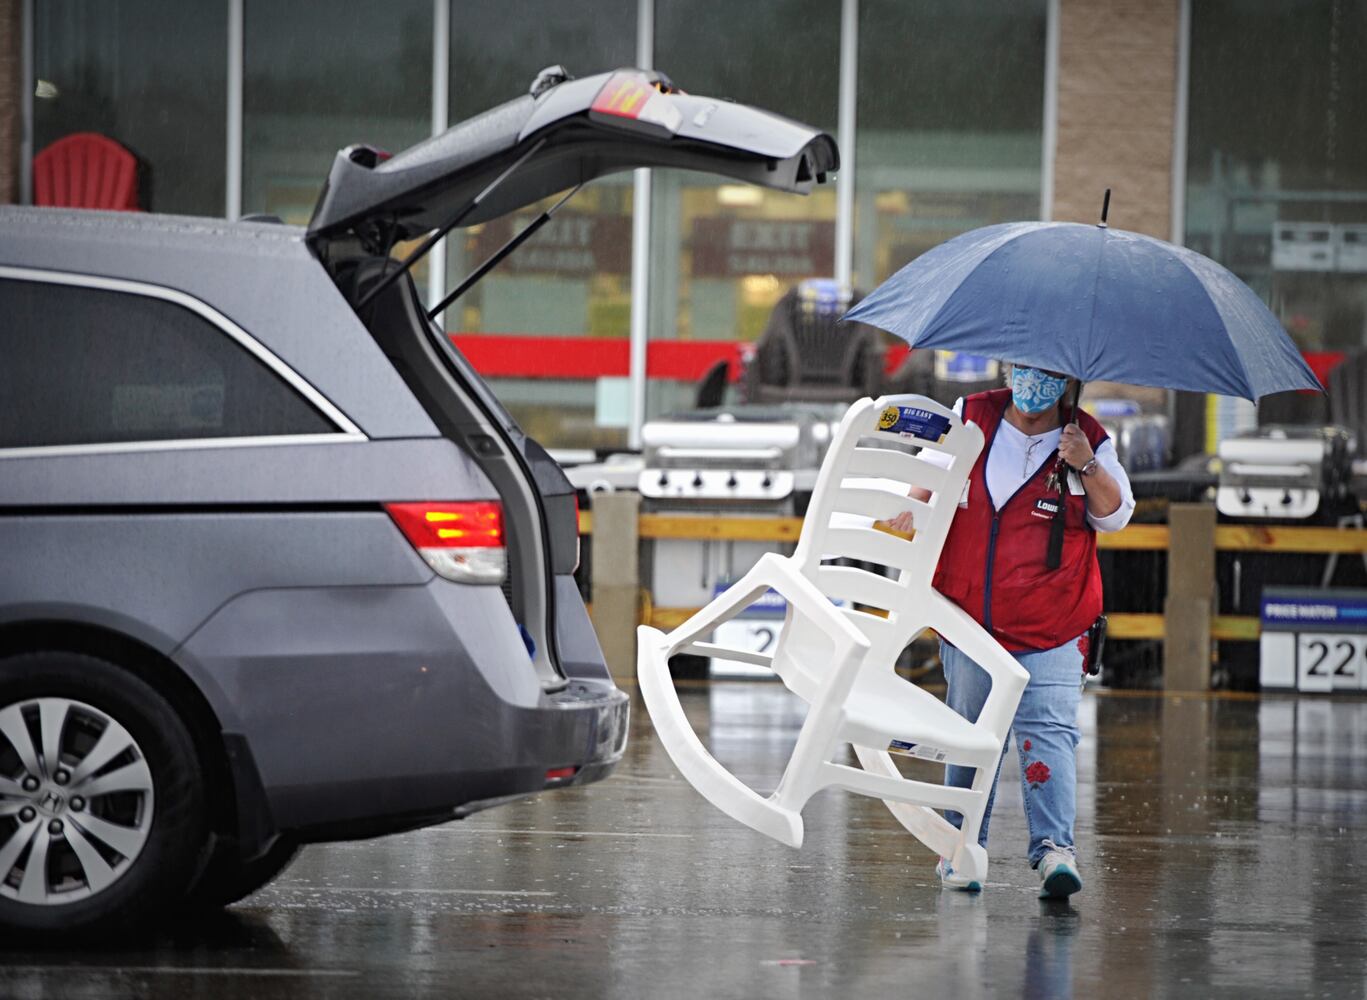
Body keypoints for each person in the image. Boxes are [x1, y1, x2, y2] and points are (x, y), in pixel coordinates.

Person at [884, 363, 1134, 899]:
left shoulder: (1087, 437)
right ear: (1009, 367)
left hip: (1055, 623)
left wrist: (1086, 465)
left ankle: (1054, 852)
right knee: (971, 735)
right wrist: (907, 514)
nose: (1032, 381)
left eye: (1046, 372)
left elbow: (1115, 515)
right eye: (1024, 367)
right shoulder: (971, 415)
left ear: (1067, 379)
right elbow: (930, 473)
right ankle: (960, 848)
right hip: (971, 619)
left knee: (1049, 734)